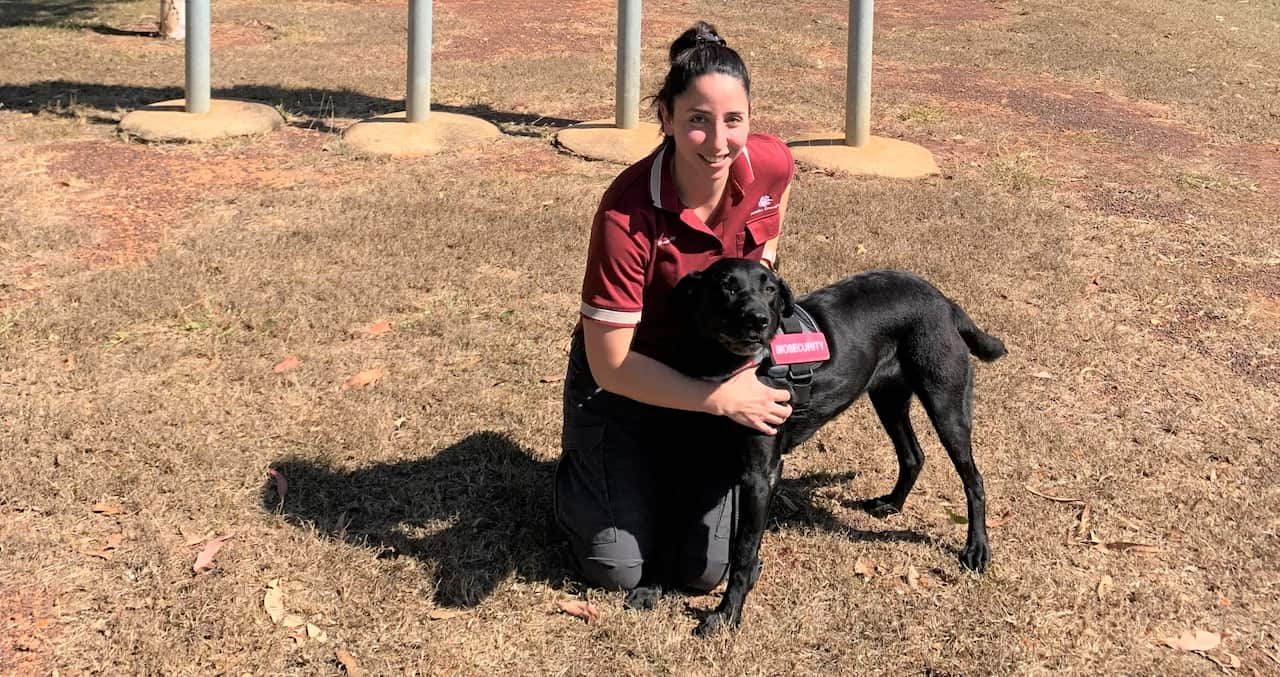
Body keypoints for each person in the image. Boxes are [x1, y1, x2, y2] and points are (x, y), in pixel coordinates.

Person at [555, 21, 796, 594]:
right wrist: (721, 400)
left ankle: (653, 467)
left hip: (712, 367)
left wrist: (762, 283)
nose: (718, 141)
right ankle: (585, 476)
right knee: (615, 567)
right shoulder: (626, 214)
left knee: (702, 571)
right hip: (627, 376)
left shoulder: (769, 162)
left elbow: (778, 199)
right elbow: (611, 364)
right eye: (697, 120)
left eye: (733, 120)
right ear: (664, 117)